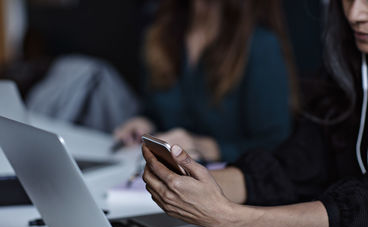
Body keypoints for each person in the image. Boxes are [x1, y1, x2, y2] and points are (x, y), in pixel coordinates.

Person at [141, 0, 368, 227]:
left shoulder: (259, 44)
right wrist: (189, 183)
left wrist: (232, 217)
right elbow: (294, 166)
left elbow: (359, 208)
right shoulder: (344, 71)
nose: (354, 14)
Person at [115, 0, 298, 162]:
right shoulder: (161, 33)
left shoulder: (261, 45)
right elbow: (156, 111)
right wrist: (145, 123)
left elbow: (275, 144)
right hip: (159, 179)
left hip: (227, 187)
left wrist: (203, 146)